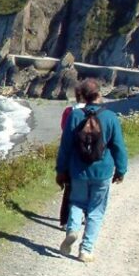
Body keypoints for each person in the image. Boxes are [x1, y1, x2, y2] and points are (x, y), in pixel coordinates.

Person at [55, 78, 128, 263]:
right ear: (99, 95)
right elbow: (118, 146)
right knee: (96, 210)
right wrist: (121, 170)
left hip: (78, 171)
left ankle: (72, 230)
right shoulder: (110, 117)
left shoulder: (74, 116)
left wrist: (61, 170)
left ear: (83, 96)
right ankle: (86, 250)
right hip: (102, 172)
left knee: (77, 202)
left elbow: (65, 147)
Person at [58, 90, 86, 226]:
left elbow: (64, 129)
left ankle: (65, 221)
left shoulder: (69, 111)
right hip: (89, 157)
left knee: (69, 190)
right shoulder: (98, 113)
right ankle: (85, 217)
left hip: (72, 156)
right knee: (88, 190)